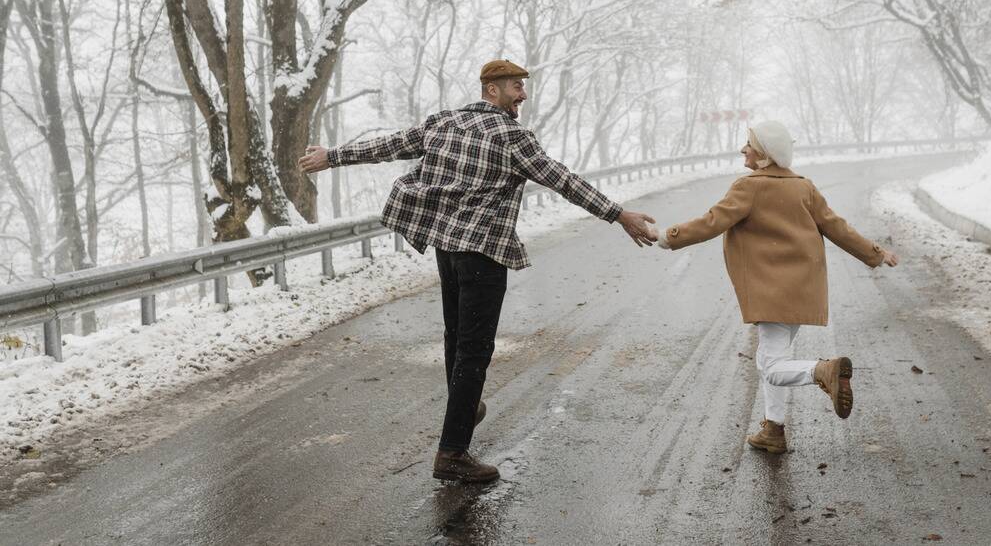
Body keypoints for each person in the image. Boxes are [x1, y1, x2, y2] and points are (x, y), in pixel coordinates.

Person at [298, 59, 657, 482]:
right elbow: (563, 180)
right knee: (474, 350)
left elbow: (390, 146)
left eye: (523, 86)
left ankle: (465, 405)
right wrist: (618, 215)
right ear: (492, 89)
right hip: (483, 252)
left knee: (457, 337)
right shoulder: (512, 137)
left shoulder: (443, 122)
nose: (522, 94)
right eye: (515, 86)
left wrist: (333, 157)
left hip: (447, 250)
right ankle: (452, 454)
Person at [655, 120, 899, 454]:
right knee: (773, 360)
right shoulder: (804, 187)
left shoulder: (749, 187)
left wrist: (669, 238)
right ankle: (773, 429)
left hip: (770, 292)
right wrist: (876, 252)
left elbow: (712, 222)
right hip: (802, 289)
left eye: (749, 144)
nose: (743, 149)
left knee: (772, 367)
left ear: (764, 154)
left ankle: (822, 371)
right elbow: (837, 227)